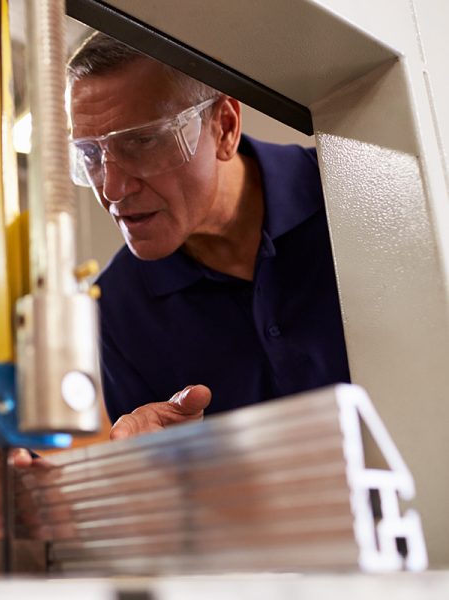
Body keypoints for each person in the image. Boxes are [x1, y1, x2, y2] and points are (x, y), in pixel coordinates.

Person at [66, 32, 350, 438]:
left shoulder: (351, 202)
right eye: (90, 155)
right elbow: (174, 488)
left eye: (143, 141)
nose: (111, 190)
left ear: (225, 127)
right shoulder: (119, 307)